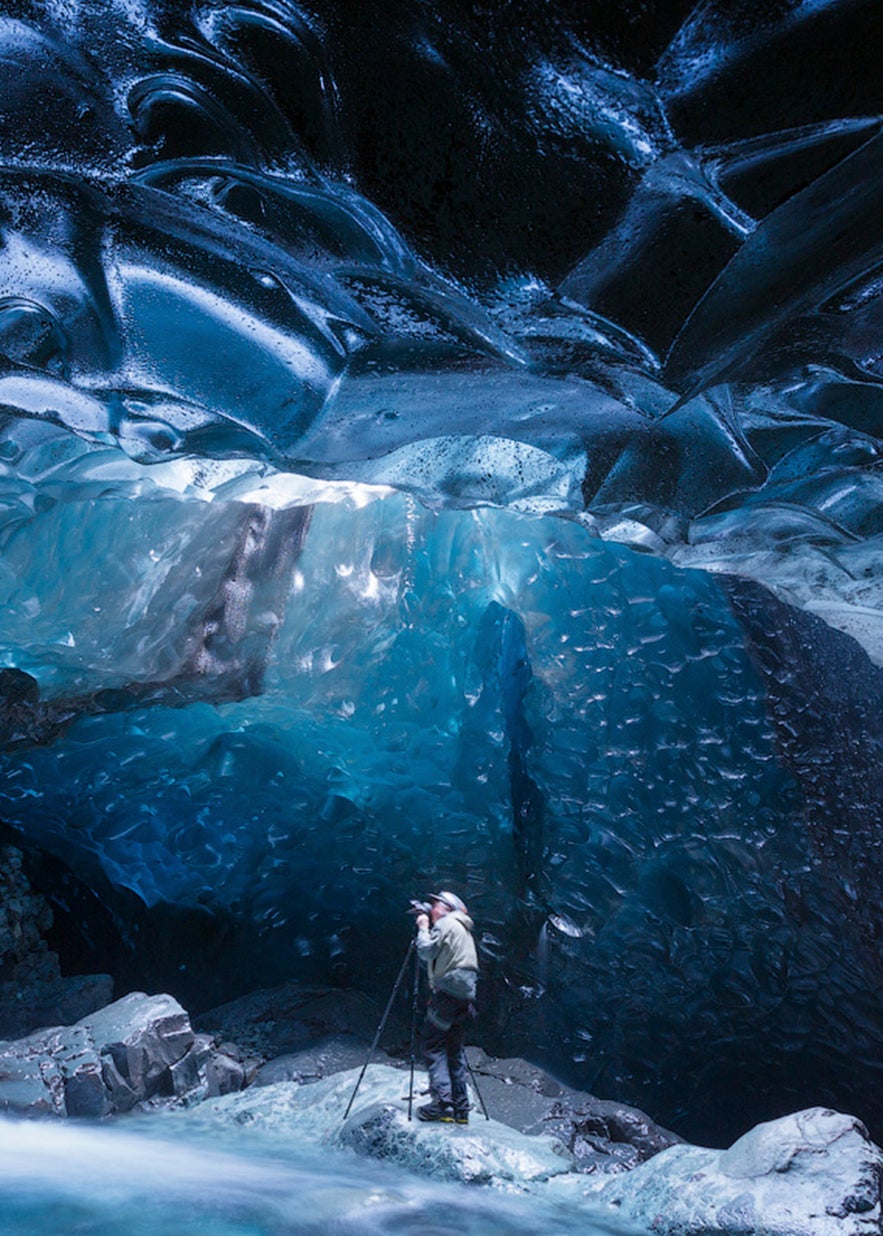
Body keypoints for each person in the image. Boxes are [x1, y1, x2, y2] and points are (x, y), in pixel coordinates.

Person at [414, 890, 478, 1124]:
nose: (431, 909)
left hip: (448, 993)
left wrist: (422, 927)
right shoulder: (463, 928)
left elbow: (426, 951)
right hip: (464, 996)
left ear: (448, 908)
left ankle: (442, 1104)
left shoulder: (446, 923)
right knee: (453, 1048)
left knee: (433, 1046)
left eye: (435, 904)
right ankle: (461, 1109)